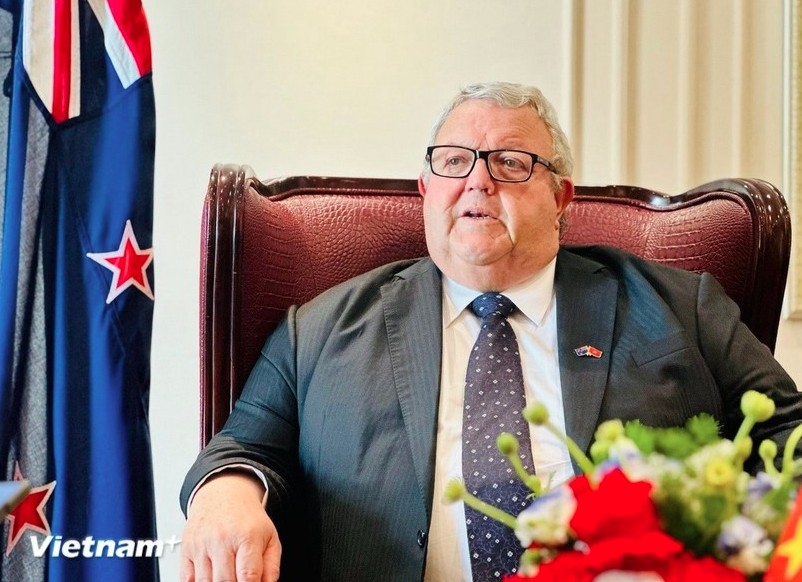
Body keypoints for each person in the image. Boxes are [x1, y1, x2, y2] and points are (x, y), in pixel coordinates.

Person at [179, 81, 802, 582]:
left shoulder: (676, 306)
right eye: (454, 162)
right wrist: (225, 494)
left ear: (561, 198)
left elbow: (787, 432)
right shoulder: (317, 330)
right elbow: (242, 448)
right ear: (426, 191)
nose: (477, 180)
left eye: (510, 162)